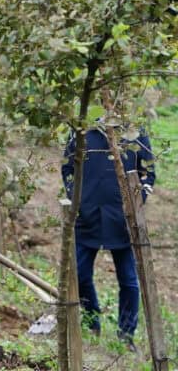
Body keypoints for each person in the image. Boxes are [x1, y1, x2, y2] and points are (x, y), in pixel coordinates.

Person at [61, 124, 155, 351]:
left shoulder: (135, 132)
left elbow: (148, 173)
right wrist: (77, 199)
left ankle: (126, 335)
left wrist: (135, 204)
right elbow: (67, 168)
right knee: (81, 275)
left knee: (130, 281)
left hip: (122, 220)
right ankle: (92, 323)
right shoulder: (81, 130)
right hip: (87, 216)